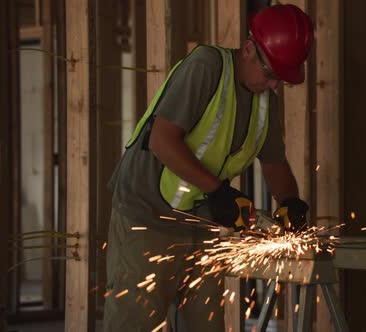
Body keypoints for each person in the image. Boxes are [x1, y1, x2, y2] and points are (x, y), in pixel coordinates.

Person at [103, 4, 313, 331]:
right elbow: (162, 141)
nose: (274, 85)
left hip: (198, 221)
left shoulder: (265, 100)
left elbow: (274, 162)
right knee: (137, 321)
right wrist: (218, 191)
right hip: (145, 215)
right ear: (248, 49)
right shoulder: (206, 67)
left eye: (281, 78)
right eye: (271, 73)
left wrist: (289, 202)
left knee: (207, 323)